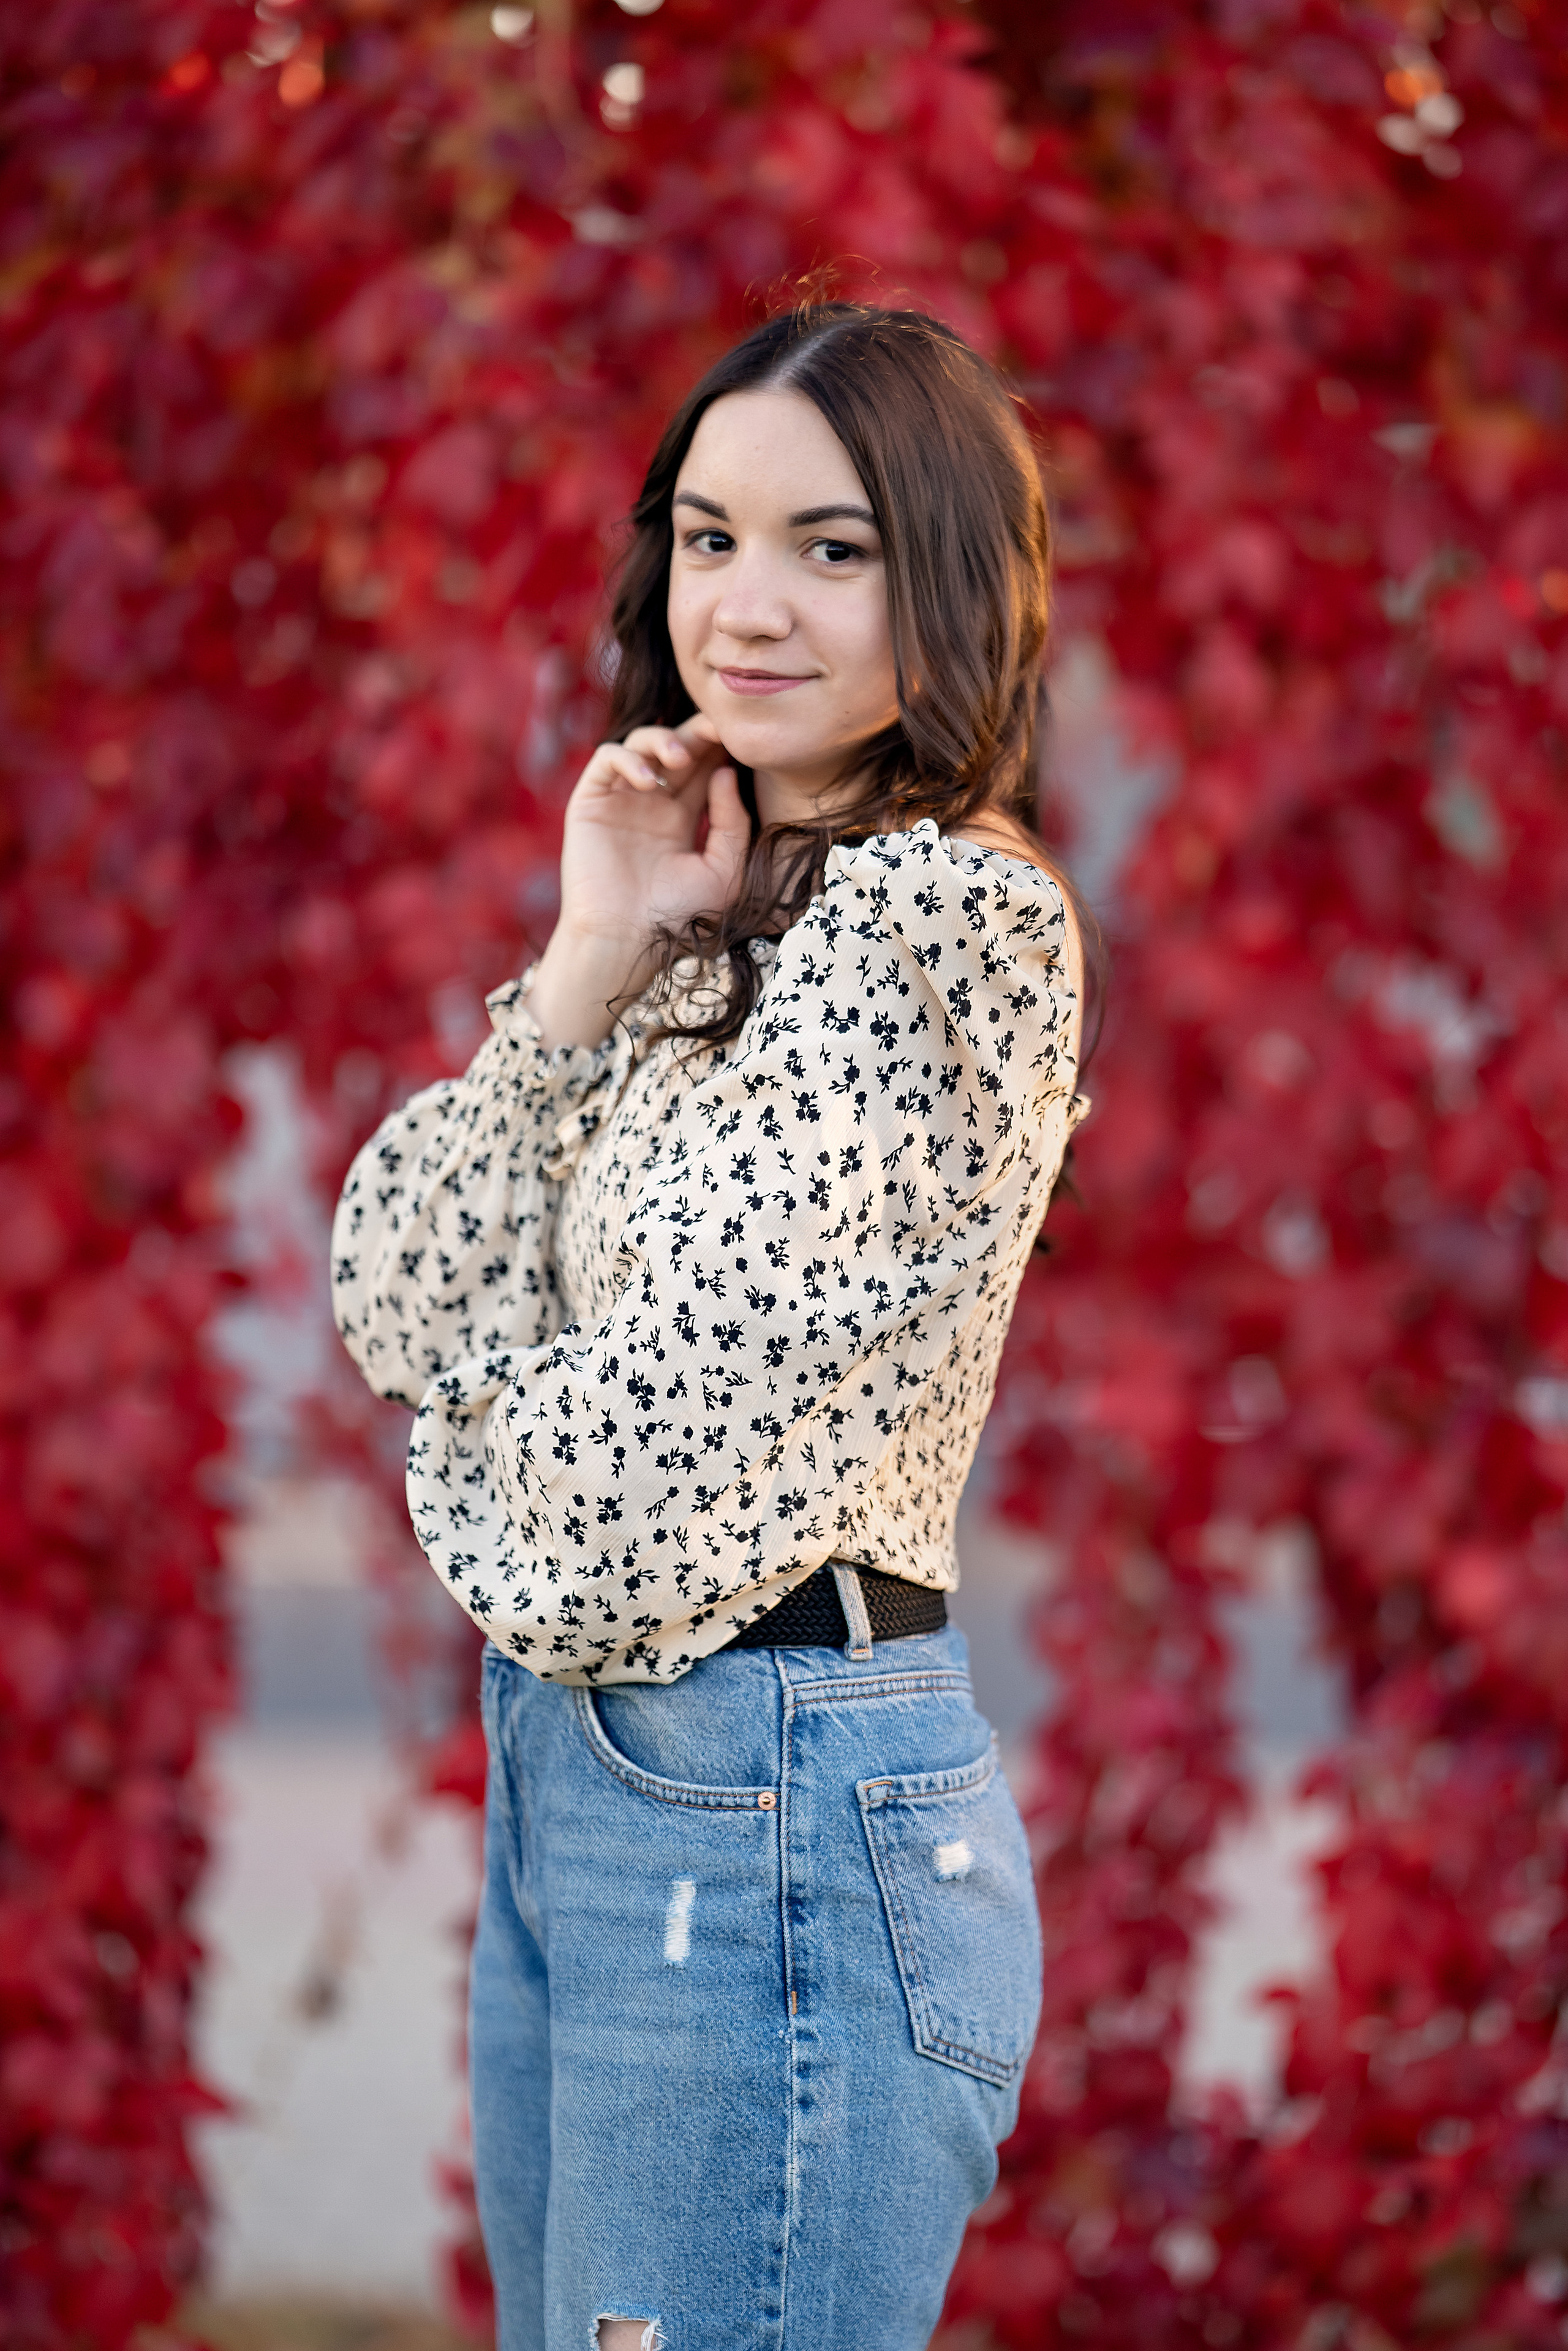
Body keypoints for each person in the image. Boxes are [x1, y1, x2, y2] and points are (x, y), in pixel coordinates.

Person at [332, 301, 1091, 2351]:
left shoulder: (945, 921)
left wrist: (468, 1423)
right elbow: (392, 1281)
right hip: (595, 1780)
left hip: (769, 1799)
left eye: (830, 548)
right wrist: (589, 955)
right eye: (706, 537)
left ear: (945, 573)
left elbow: (606, 1515)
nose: (745, 607)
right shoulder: (726, 903)